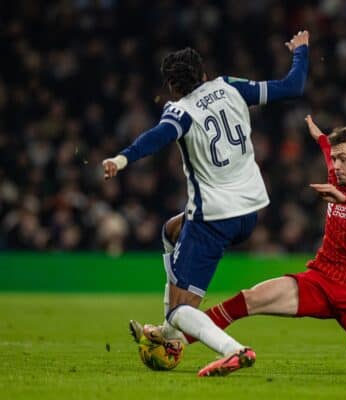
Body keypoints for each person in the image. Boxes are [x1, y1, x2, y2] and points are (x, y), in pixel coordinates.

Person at [102, 30, 310, 376]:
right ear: (203, 73)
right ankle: (169, 334)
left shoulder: (180, 111)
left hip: (212, 217)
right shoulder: (229, 86)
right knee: (170, 230)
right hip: (249, 212)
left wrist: (121, 160)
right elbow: (292, 87)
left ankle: (233, 349)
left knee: (179, 311)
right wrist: (301, 52)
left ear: (172, 85)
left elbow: (156, 138)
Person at [197, 116, 346, 374]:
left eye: (343, 159)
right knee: (251, 298)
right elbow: (328, 150)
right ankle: (177, 338)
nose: (336, 165)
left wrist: (344, 197)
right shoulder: (337, 174)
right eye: (335, 159)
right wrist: (321, 139)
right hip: (321, 279)